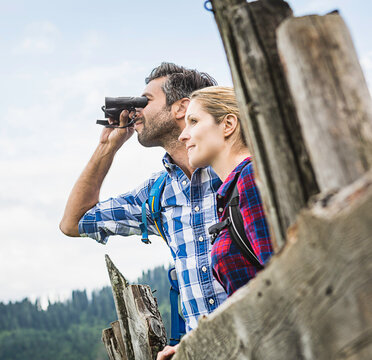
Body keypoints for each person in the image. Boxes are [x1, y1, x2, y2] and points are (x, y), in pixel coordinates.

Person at [60, 63, 228, 335]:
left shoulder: (239, 168)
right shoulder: (157, 193)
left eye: (145, 101)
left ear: (181, 107)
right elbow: (74, 222)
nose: (135, 111)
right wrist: (107, 146)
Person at [178, 86, 274, 295]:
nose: (183, 136)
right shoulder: (234, 189)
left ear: (228, 124)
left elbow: (281, 272)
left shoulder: (250, 177)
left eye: (193, 122)